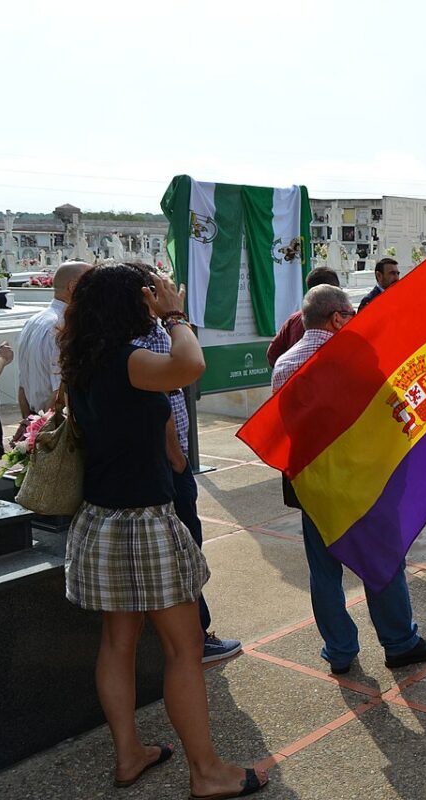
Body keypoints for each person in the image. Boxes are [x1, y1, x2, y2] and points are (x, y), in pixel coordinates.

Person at [60, 264, 268, 798]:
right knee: (183, 647)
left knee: (118, 642)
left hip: (100, 519)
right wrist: (174, 312)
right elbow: (190, 365)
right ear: (131, 304)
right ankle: (207, 772)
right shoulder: (129, 361)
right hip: (143, 522)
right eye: (144, 295)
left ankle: (129, 754)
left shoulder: (83, 360)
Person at [273, 285, 426, 673]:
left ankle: (340, 651)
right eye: (349, 314)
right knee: (380, 560)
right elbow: (389, 409)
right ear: (336, 318)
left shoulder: (285, 363)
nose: (353, 320)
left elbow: (285, 429)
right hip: (361, 482)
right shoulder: (356, 356)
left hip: (313, 485)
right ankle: (399, 642)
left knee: (324, 572)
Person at [126, 263, 240, 664]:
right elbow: (165, 401)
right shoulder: (151, 334)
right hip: (167, 467)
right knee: (185, 551)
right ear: (146, 295)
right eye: (162, 287)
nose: (171, 291)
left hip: (148, 468)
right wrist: (177, 459)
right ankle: (196, 637)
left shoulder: (114, 338)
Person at [18, 260, 91, 419]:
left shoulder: (33, 321)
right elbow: (59, 393)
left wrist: (29, 425)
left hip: (36, 422)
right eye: (92, 284)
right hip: (53, 426)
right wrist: (41, 429)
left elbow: (23, 386)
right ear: (73, 287)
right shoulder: (63, 326)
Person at [266, 267, 341, 366]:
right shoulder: (341, 319)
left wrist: (288, 372)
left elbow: (272, 353)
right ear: (335, 291)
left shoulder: (294, 319)